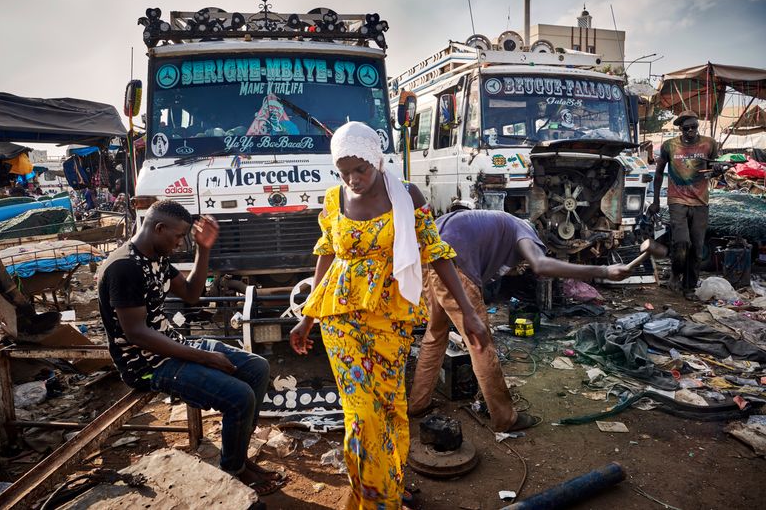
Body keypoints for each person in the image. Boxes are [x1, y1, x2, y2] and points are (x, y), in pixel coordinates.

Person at [290, 122, 488, 509]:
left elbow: (435, 252)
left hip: (390, 320)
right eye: (343, 172)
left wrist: (468, 312)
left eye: (360, 170)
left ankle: (389, 482)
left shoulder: (407, 195)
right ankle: (375, 499)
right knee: (362, 415)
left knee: (388, 407)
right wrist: (308, 315)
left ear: (376, 160)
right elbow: (327, 253)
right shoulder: (333, 199)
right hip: (340, 317)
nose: (353, 179)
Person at [97, 200, 284, 495]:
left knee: (257, 368)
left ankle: (239, 458)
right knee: (240, 397)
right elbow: (137, 334)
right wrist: (206, 357)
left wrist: (203, 249)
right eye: (178, 237)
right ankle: (234, 471)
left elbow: (191, 294)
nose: (179, 243)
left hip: (172, 346)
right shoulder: (125, 267)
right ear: (159, 228)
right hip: (146, 366)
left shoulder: (155, 256)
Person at [407, 209, 633, 431]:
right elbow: (540, 264)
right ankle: (505, 418)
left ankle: (418, 403)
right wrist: (604, 271)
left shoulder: (497, 223)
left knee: (435, 333)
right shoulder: (523, 230)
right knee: (481, 345)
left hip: (432, 260)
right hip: (455, 265)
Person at [648, 110, 719, 297]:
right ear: (680, 129)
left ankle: (689, 287)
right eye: (686, 128)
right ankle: (675, 273)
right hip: (677, 199)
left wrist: (718, 171)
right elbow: (658, 173)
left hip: (700, 201)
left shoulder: (709, 144)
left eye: (694, 127)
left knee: (697, 248)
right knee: (681, 242)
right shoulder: (670, 145)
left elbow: (713, 169)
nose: (691, 131)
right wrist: (655, 201)